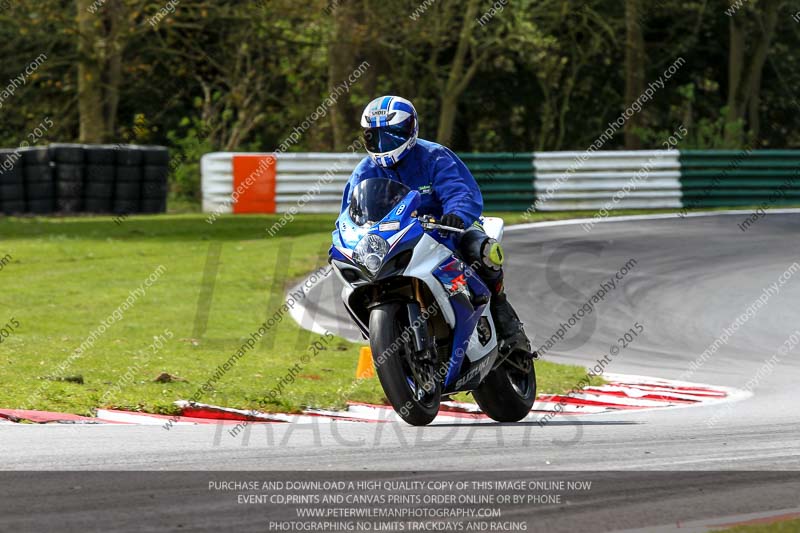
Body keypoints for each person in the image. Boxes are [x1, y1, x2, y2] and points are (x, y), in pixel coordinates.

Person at [341, 95, 532, 353]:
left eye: (393, 134)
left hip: (444, 230)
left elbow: (459, 191)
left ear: (411, 129)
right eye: (375, 136)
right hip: (395, 240)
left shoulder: (434, 156)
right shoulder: (364, 171)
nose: (385, 143)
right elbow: (351, 214)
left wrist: (456, 214)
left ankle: (503, 315)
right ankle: (389, 336)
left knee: (481, 249)